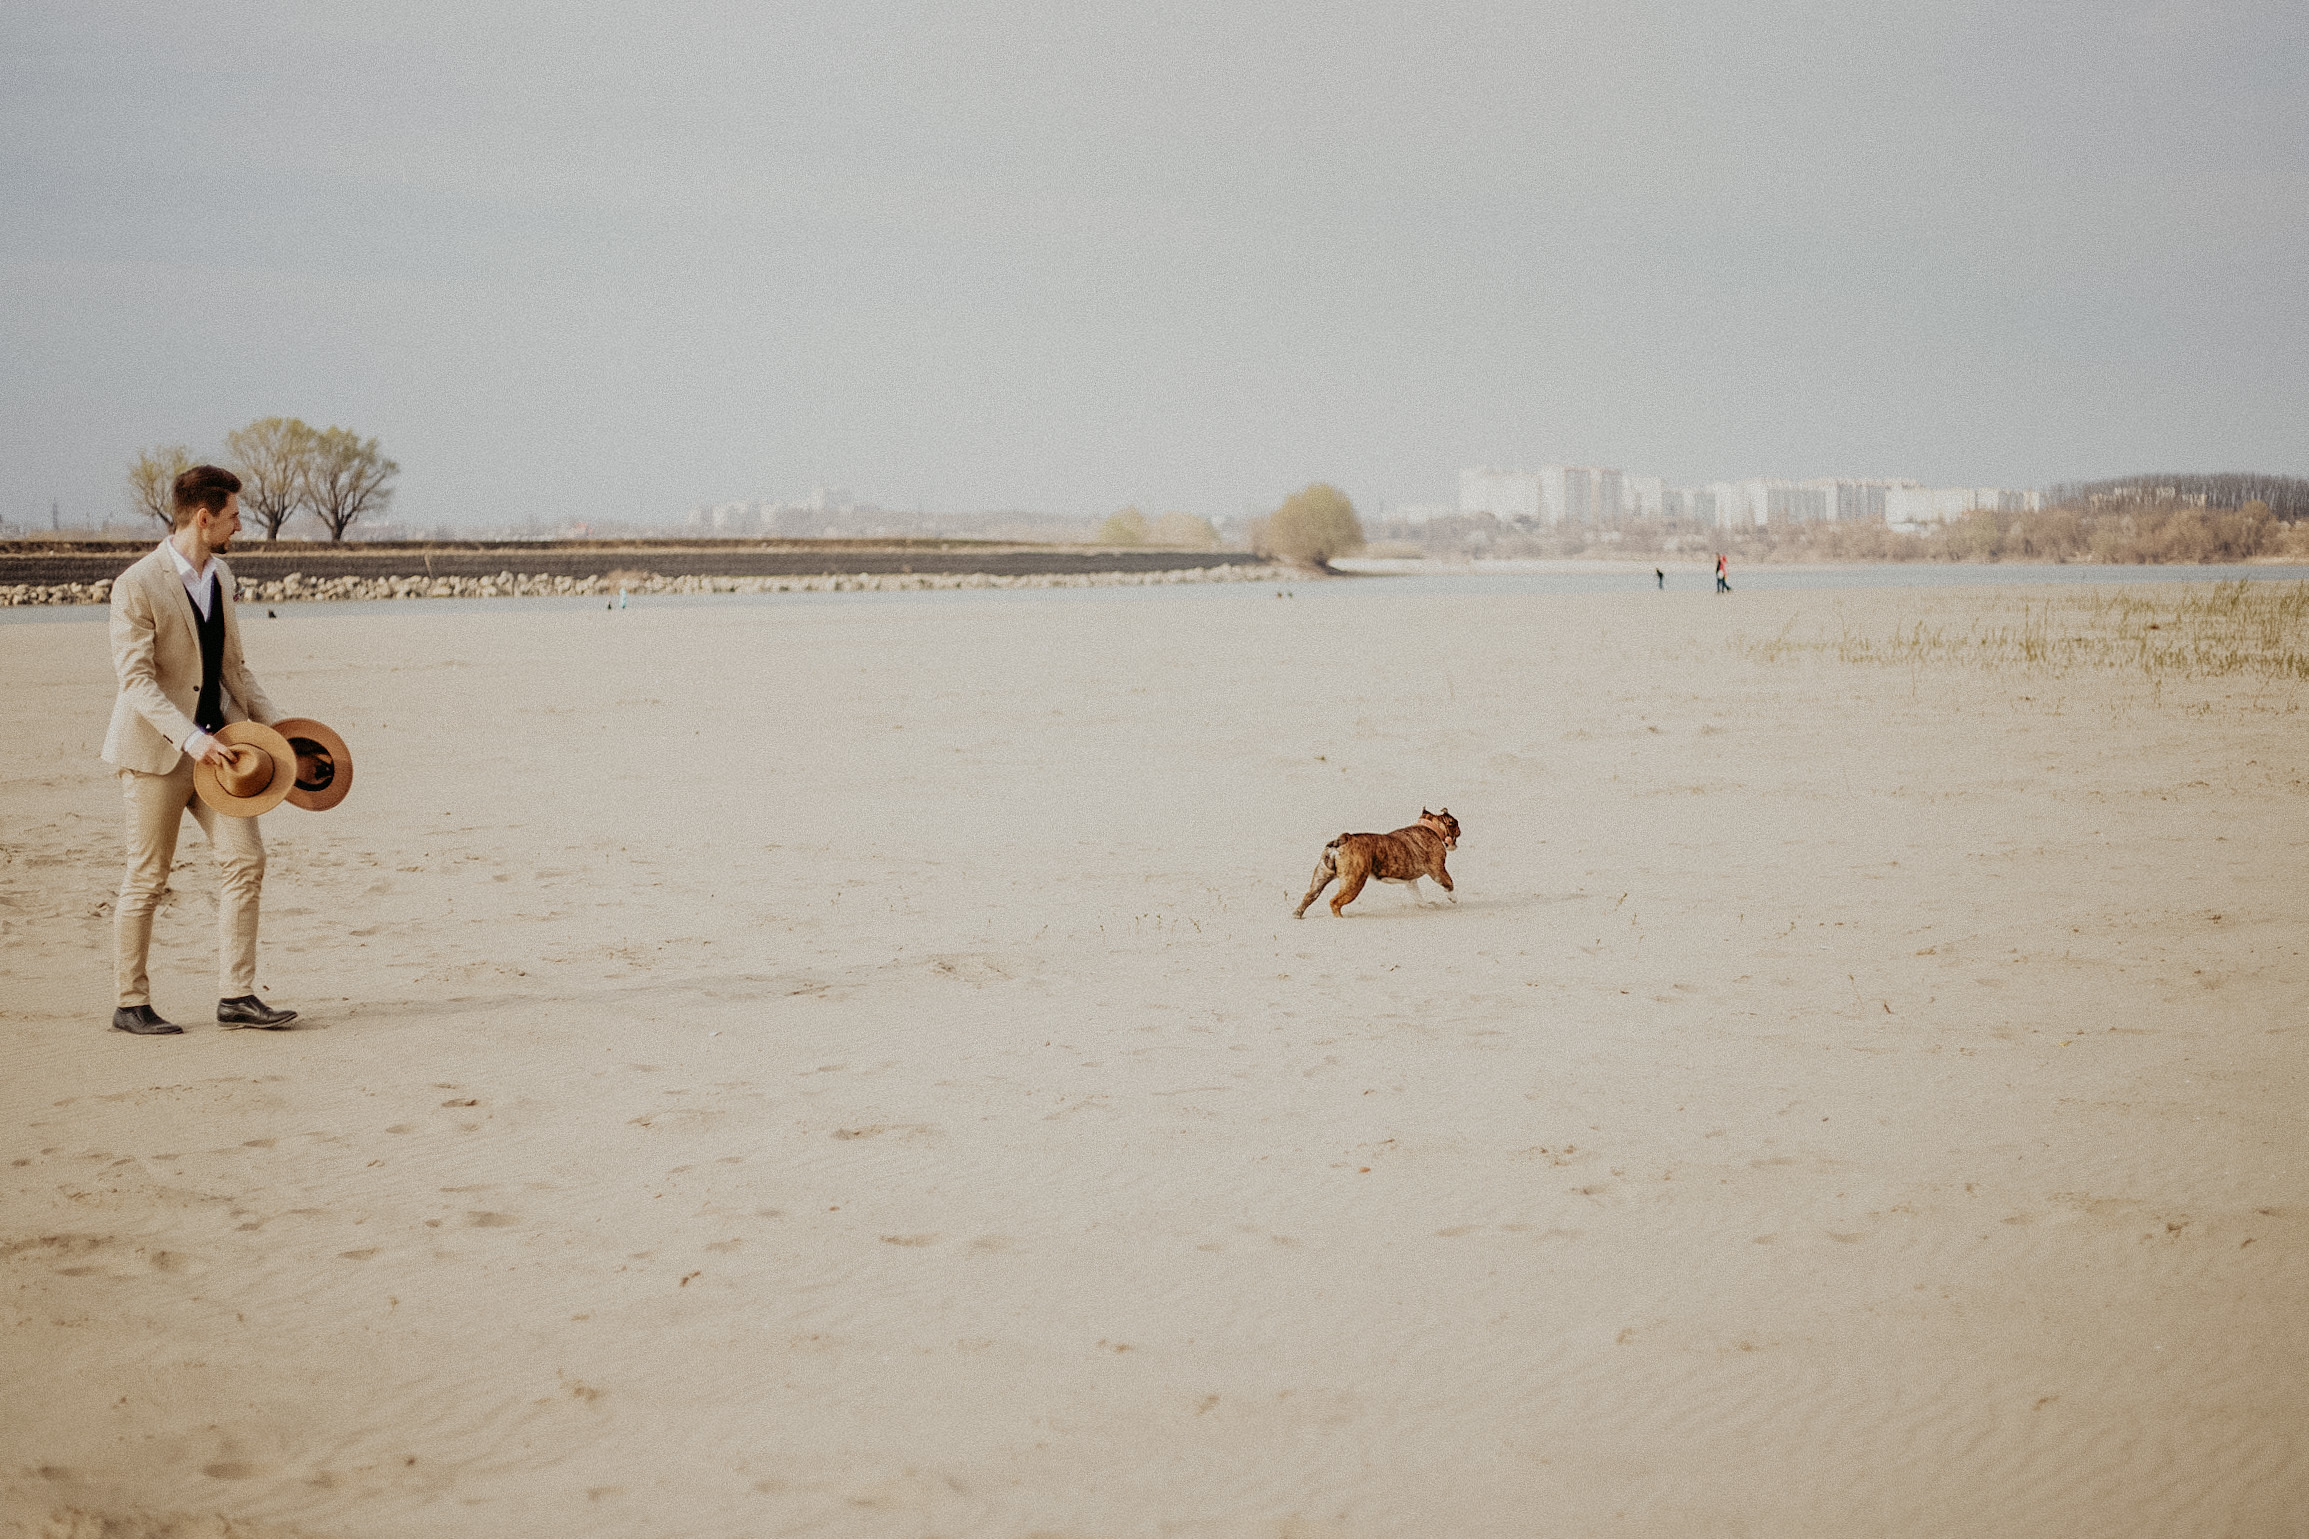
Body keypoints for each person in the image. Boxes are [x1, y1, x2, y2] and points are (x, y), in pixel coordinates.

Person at [101, 465, 300, 1035]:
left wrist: (282, 733)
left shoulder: (223, 576)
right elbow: (136, 681)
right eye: (235, 515)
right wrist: (192, 739)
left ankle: (237, 997)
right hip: (158, 755)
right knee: (147, 877)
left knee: (246, 862)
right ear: (205, 516)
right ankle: (129, 1002)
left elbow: (235, 669)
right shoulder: (136, 584)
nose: (242, 525)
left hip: (228, 754)